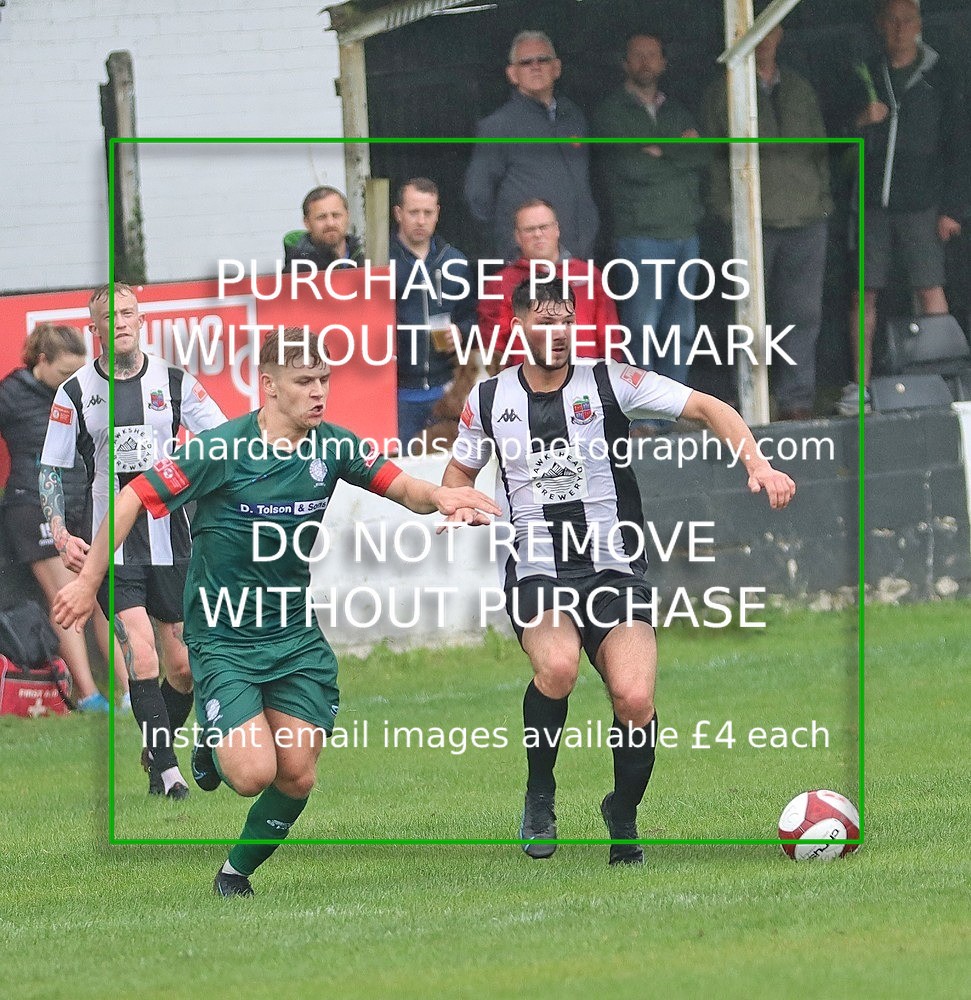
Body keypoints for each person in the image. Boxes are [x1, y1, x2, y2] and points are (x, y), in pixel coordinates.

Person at [53, 328, 500, 897]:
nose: (319, 393)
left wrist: (440, 496)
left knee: (297, 773)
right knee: (253, 774)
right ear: (268, 385)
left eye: (324, 380)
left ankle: (234, 873)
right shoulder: (220, 449)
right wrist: (91, 581)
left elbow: (402, 486)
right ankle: (217, 739)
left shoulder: (333, 446)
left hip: (294, 638)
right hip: (224, 635)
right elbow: (133, 496)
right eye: (304, 382)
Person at [441, 282, 795, 865]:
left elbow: (710, 407)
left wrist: (756, 462)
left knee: (633, 698)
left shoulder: (610, 381)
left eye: (565, 321)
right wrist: (458, 502)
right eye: (542, 320)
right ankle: (540, 791)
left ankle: (622, 812)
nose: (555, 332)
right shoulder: (488, 398)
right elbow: (458, 473)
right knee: (556, 668)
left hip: (614, 569)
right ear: (518, 324)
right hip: (538, 569)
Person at [40, 283, 226, 799]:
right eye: (109, 316)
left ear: (140, 318)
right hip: (112, 547)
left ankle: (155, 746)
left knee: (183, 667)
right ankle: (168, 775)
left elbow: (223, 442)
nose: (119, 322)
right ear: (93, 327)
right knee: (140, 656)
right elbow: (51, 469)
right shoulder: (74, 393)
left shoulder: (175, 381)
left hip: (174, 540)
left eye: (127, 313)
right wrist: (59, 530)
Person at [839, 0, 968, 415]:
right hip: (872, 203)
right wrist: (860, 119)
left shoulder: (940, 75)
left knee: (930, 288)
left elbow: (959, 147)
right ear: (879, 25)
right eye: (891, 21)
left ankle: (945, 382)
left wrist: (952, 208)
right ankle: (860, 388)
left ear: (919, 25)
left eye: (907, 20)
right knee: (865, 292)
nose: (899, 28)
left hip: (923, 203)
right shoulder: (865, 73)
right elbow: (835, 133)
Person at [703, 20, 832, 420]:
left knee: (803, 315)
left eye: (769, 32)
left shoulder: (800, 88)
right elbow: (711, 160)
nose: (762, 42)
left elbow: (821, 150)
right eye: (754, 34)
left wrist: (822, 199)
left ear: (778, 37)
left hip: (807, 218)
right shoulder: (721, 91)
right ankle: (749, 399)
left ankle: (796, 399)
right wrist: (728, 213)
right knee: (747, 315)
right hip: (751, 222)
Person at [0, 324, 116, 711]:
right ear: (41, 361)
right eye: (65, 373)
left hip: (82, 505)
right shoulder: (11, 394)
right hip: (32, 506)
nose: (73, 381)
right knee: (66, 598)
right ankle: (88, 695)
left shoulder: (86, 393)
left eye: (79, 373)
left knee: (103, 597)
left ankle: (132, 692)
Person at [593, 32, 709, 391]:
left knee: (682, 330)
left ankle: (673, 409)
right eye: (637, 55)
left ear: (664, 63)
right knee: (642, 329)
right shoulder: (610, 112)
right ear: (625, 63)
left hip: (684, 233)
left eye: (652, 55)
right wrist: (679, 149)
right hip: (640, 236)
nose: (645, 62)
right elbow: (631, 167)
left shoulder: (677, 110)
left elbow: (702, 157)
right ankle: (642, 414)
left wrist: (663, 150)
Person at [464, 30, 599, 260]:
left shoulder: (574, 117)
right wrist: (509, 248)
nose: (535, 66)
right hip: (528, 259)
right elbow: (478, 197)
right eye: (526, 62)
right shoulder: (498, 126)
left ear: (556, 68)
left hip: (581, 253)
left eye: (543, 60)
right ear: (512, 74)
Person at [477, 199, 618, 369]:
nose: (538, 234)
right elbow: (492, 349)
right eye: (529, 229)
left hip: (585, 382)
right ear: (517, 237)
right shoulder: (501, 284)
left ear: (557, 229)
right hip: (526, 387)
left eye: (544, 227)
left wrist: (610, 380)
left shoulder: (587, 275)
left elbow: (609, 337)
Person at [390, 177, 475, 447]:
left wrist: (461, 332)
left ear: (437, 213)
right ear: (398, 213)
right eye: (414, 212)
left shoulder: (456, 262)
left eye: (428, 212)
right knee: (401, 472)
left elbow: (474, 318)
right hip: (396, 391)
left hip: (447, 389)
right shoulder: (380, 262)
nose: (421, 220)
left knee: (450, 469)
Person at [283, 186, 366, 271]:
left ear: (347, 216)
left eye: (336, 215)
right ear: (306, 222)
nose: (330, 223)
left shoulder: (367, 259)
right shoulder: (296, 273)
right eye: (321, 217)